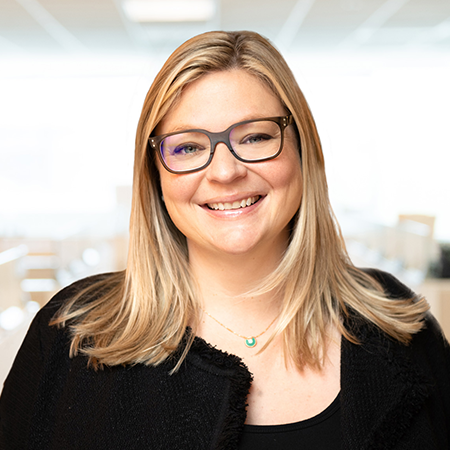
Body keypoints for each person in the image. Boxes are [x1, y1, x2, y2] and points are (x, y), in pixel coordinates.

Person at [0, 30, 449, 450]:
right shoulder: (71, 335)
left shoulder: (398, 324)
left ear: (303, 149)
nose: (225, 171)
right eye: (188, 147)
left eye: (255, 137)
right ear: (155, 176)